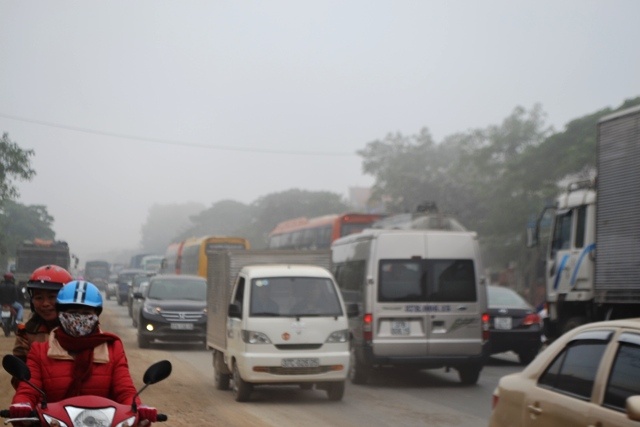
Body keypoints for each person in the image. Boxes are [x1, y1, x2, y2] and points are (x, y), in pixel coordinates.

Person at [10, 280, 158, 424]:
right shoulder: (40, 351)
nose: (79, 318)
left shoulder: (112, 347)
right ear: (60, 314)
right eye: (72, 312)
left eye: (86, 313)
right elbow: (28, 390)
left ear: (96, 315)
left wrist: (139, 407)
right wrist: (23, 404)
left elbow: (125, 390)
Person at [12, 265, 73, 364]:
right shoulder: (27, 333)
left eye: (52, 297)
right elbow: (20, 369)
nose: (45, 304)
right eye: (39, 298)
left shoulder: (81, 330)